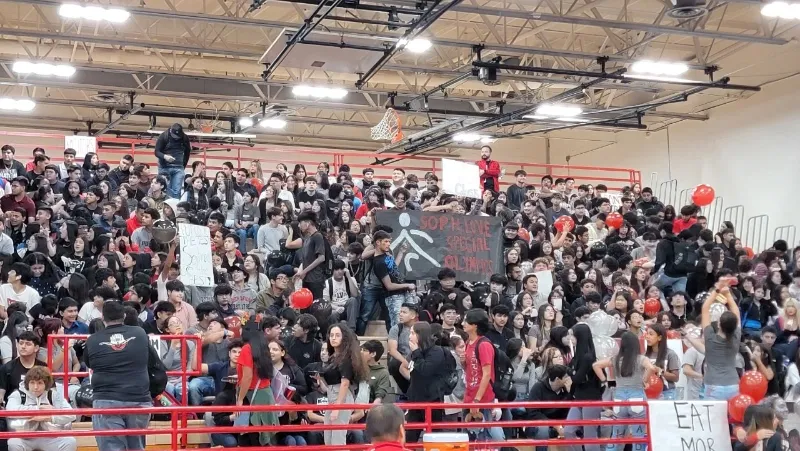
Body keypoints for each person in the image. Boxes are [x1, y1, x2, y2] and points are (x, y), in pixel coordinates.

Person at [84, 301, 152, 451]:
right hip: (138, 397)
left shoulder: (93, 340)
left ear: (102, 317)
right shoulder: (140, 333)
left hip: (106, 399)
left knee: (111, 447)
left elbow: (89, 364)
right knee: (137, 447)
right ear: (124, 315)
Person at [592, 331, 659, 451]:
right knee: (638, 438)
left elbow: (596, 365)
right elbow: (651, 368)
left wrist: (605, 380)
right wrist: (644, 380)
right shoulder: (641, 359)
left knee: (616, 436)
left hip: (619, 400)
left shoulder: (615, 359)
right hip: (637, 397)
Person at [687, 281, 741, 400]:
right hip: (733, 384)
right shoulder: (737, 336)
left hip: (713, 385)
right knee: (731, 417)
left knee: (712, 417)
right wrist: (728, 294)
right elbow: (736, 310)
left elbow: (705, 308)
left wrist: (716, 290)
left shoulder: (710, 337)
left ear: (719, 324)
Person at [6, 366, 77, 451]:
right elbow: (9, 410)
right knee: (13, 443)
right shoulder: (18, 394)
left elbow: (72, 415)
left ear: (46, 384)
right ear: (27, 383)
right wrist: (38, 410)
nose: (35, 387)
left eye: (39, 383)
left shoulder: (54, 395)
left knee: (70, 441)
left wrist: (50, 417)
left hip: (50, 437)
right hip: (25, 438)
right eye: (32, 383)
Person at [320, 323, 368, 446]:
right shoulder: (333, 357)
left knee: (337, 439)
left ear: (344, 338)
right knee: (328, 439)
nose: (333, 338)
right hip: (332, 395)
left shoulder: (346, 358)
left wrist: (337, 408)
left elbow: (345, 383)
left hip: (342, 397)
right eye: (331, 335)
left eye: (337, 335)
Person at [461, 308, 505, 442]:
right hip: (470, 395)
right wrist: (463, 362)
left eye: (466, 321)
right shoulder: (468, 342)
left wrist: (477, 400)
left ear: (475, 325)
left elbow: (487, 374)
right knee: (470, 437)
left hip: (483, 398)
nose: (463, 323)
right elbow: (470, 369)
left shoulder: (484, 344)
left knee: (485, 437)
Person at [405, 321, 449, 443]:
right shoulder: (416, 352)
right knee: (410, 437)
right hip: (415, 400)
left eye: (413, 333)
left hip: (432, 399)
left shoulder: (436, 351)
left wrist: (416, 353)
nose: (410, 336)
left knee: (434, 437)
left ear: (421, 334)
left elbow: (426, 370)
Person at [524, 364, 573, 450]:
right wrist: (554, 425)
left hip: (560, 426)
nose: (569, 379)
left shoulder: (566, 390)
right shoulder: (538, 388)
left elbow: (570, 412)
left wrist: (570, 393)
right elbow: (534, 413)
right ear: (558, 379)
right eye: (566, 377)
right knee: (543, 429)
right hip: (538, 426)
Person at [295, 211, 327, 300]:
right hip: (306, 279)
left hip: (315, 279)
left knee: (315, 307)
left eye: (300, 223)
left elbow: (321, 258)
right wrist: (300, 272)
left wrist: (304, 271)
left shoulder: (318, 236)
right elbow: (305, 259)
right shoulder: (307, 238)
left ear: (308, 223)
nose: (299, 225)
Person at [154, 123, 191, 199]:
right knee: (164, 189)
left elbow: (187, 153)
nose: (176, 138)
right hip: (164, 167)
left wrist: (183, 166)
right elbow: (157, 152)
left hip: (178, 167)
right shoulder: (163, 136)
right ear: (171, 131)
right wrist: (165, 157)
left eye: (178, 137)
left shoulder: (185, 138)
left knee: (177, 191)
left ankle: (174, 208)